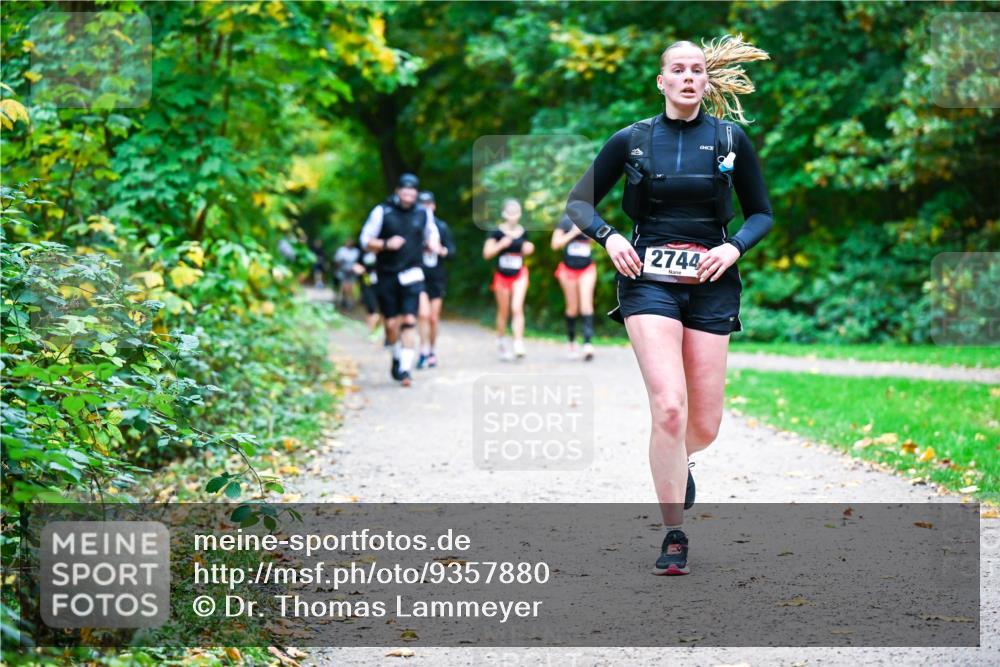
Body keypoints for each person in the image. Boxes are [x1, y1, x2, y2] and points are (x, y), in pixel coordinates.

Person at [563, 35, 772, 575]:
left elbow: (761, 214)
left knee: (703, 423)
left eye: (696, 70)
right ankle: (673, 532)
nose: (687, 77)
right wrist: (610, 238)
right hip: (647, 280)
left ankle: (683, 459)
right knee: (670, 408)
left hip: (712, 281)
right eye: (677, 69)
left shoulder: (730, 139)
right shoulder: (632, 140)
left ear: (707, 81)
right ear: (661, 81)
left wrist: (733, 246)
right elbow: (579, 203)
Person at [360, 173, 441, 387]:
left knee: (410, 320)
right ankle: (396, 356)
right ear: (398, 192)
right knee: (391, 324)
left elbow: (431, 234)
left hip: (413, 274)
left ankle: (405, 369)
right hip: (387, 274)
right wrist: (386, 244)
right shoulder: (382, 212)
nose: (408, 194)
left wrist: (433, 244)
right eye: (404, 190)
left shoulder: (423, 214)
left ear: (416, 193)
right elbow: (365, 240)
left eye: (412, 191)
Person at [482, 198, 534, 361]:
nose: (513, 216)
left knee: (517, 308)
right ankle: (501, 340)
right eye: (510, 213)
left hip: (519, 274)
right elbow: (487, 254)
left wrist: (529, 249)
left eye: (516, 213)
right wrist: (500, 245)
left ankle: (518, 342)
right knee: (503, 311)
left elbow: (527, 249)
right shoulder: (497, 232)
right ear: (504, 214)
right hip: (502, 276)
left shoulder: (523, 232)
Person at [416, 191, 456, 369]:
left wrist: (440, 250)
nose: (426, 208)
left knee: (433, 317)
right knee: (422, 314)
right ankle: (423, 349)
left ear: (434, 206)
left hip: (437, 277)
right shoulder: (414, 226)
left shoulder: (441, 227)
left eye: (428, 204)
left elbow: (452, 252)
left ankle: (432, 350)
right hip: (418, 276)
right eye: (422, 204)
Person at [551, 213, 597, 361]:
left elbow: (599, 241)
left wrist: (588, 234)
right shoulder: (565, 220)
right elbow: (555, 244)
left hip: (587, 269)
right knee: (572, 307)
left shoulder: (591, 218)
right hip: (568, 270)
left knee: (586, 305)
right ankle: (571, 342)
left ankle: (588, 344)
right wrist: (573, 233)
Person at [356, 243, 382, 341]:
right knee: (371, 309)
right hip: (367, 283)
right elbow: (357, 265)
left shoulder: (383, 252)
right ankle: (371, 332)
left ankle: (377, 330)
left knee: (382, 310)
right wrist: (359, 269)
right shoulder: (363, 253)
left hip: (381, 283)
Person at [333, 237, 361, 309]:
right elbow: (337, 261)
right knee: (344, 287)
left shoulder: (356, 251)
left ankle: (349, 301)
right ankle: (344, 300)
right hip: (343, 271)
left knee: (351, 287)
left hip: (352, 272)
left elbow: (358, 261)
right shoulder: (341, 250)